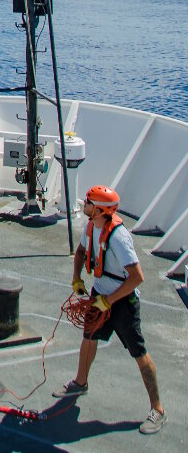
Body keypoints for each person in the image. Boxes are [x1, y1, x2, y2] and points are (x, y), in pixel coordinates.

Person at [53, 184, 167, 435]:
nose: (85, 204)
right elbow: (82, 251)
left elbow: (137, 277)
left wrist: (110, 300)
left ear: (101, 210)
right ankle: (80, 383)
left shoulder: (118, 237)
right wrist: (77, 278)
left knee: (139, 352)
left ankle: (157, 410)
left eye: (89, 203)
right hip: (101, 293)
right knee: (89, 337)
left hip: (123, 301)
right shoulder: (92, 226)